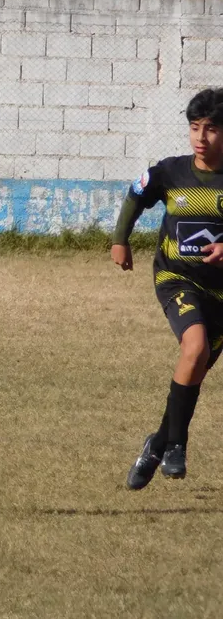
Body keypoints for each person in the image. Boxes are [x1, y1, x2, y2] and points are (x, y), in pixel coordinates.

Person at [114, 88, 223, 490]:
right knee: (194, 349)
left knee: (192, 373)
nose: (200, 137)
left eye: (211, 129)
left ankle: (157, 443)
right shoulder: (171, 171)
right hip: (177, 279)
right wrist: (120, 239)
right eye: (195, 127)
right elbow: (137, 194)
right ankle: (177, 442)